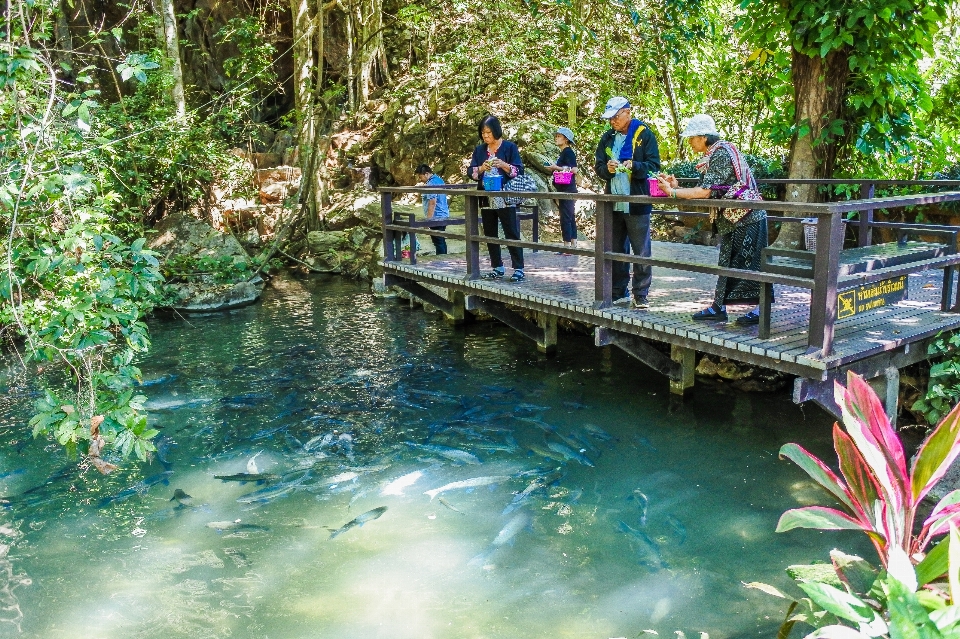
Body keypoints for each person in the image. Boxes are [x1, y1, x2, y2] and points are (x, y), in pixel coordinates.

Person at [656, 114, 767, 325]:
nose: (689, 142)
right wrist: (677, 186)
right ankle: (719, 306)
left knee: (752, 264)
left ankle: (761, 310)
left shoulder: (721, 154)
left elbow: (705, 192)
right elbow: (708, 188)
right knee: (727, 261)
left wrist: (672, 193)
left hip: (747, 216)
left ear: (704, 137)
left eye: (692, 138)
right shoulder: (714, 154)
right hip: (734, 219)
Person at [593, 97, 661, 309]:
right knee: (615, 249)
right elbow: (599, 168)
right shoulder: (607, 138)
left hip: (636, 201)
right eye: (610, 118)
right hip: (613, 201)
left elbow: (654, 166)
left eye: (616, 116)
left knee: (641, 250)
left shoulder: (644, 134)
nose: (612, 121)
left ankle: (641, 293)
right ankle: (617, 291)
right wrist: (608, 170)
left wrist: (635, 166)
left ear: (627, 112)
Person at [468, 114, 525, 282]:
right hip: (486, 197)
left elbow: (519, 171)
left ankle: (518, 268)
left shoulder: (509, 147)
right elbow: (471, 172)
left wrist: (504, 165)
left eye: (488, 132)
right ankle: (497, 266)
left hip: (505, 196)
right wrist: (481, 168)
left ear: (496, 131)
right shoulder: (479, 150)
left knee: (511, 232)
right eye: (483, 133)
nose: (485, 136)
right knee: (490, 233)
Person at [543, 127, 578, 253]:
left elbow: (574, 169)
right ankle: (573, 244)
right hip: (566, 188)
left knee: (565, 217)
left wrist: (555, 168)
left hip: (567, 189)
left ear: (566, 139)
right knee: (570, 216)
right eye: (556, 136)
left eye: (559, 136)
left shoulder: (568, 152)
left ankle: (567, 246)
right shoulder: (565, 152)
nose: (556, 138)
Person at [415, 164, 449, 255]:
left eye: (420, 176)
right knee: (441, 240)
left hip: (436, 216)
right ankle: (444, 258)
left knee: (438, 242)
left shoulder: (431, 184)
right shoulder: (439, 180)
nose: (420, 179)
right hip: (443, 214)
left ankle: (441, 261)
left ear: (426, 174)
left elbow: (432, 202)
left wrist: (428, 220)